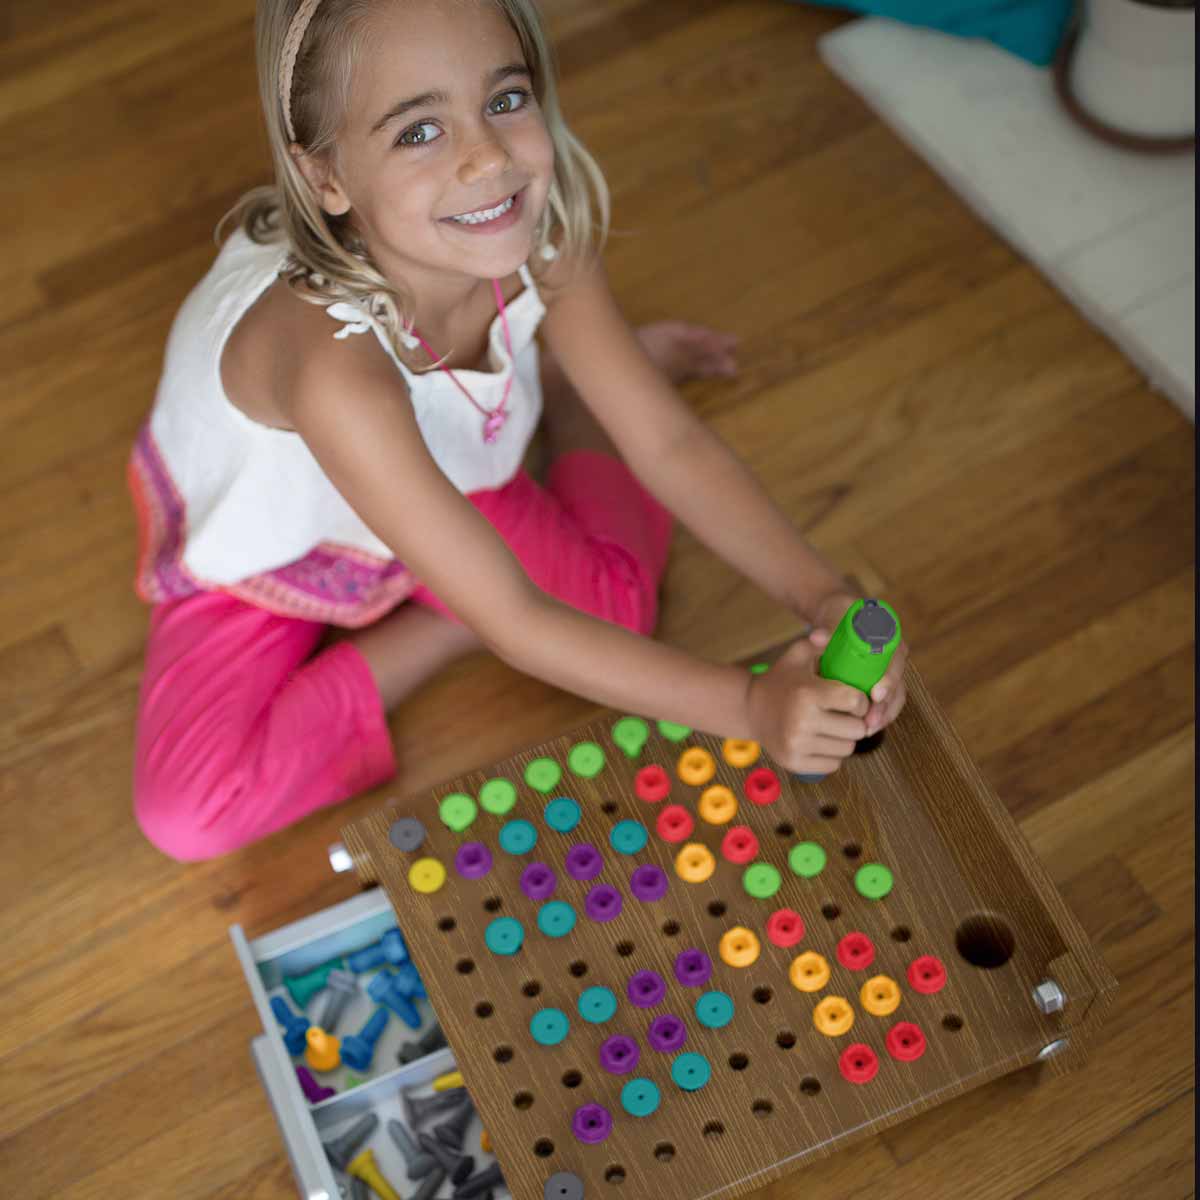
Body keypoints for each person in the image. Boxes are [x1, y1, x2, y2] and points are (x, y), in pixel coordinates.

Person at [128, 0, 908, 862]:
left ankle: (578, 390)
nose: (488, 156)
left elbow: (671, 445)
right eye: (418, 131)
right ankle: (450, 601)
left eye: (504, 99)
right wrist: (751, 707)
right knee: (189, 812)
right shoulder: (331, 368)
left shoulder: (539, 226)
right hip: (285, 545)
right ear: (325, 180)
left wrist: (824, 596)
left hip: (453, 475)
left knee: (617, 613)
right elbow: (515, 619)